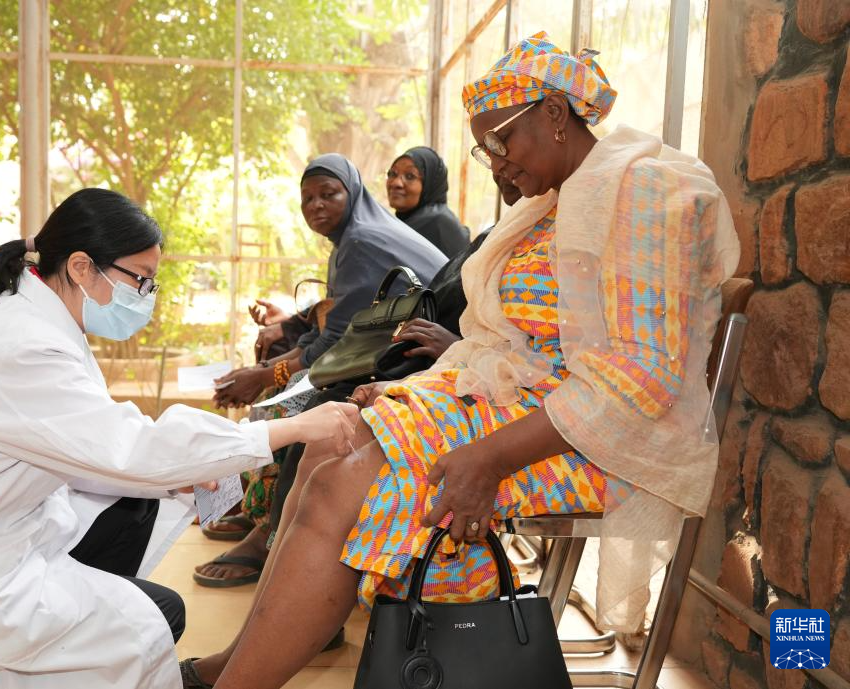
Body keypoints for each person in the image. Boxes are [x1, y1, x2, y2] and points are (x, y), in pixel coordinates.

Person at [180, 32, 739, 689]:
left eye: (501, 141)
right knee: (331, 444)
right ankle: (241, 660)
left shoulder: (645, 189)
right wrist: (423, 390)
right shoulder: (552, 202)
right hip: (534, 408)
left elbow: (639, 379)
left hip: (604, 440)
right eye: (485, 149)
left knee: (348, 479)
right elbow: (508, 342)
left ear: (554, 114)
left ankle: (236, 682)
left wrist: (489, 458)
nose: (495, 164)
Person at [0, 188, 359, 689]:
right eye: (141, 280)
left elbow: (96, 441)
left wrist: (188, 472)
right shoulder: (23, 347)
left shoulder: (44, 320)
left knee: (143, 511)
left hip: (1, 542)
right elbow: (130, 447)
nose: (146, 296)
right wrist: (289, 428)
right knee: (148, 623)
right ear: (81, 267)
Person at [195, 155, 446, 588]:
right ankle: (261, 515)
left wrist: (266, 377)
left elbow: (333, 347)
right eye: (307, 198)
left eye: (328, 194)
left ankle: (271, 534)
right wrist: (265, 370)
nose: (316, 205)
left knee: (292, 403)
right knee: (283, 391)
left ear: (353, 194)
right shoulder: (349, 240)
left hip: (421, 360)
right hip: (391, 353)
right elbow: (329, 332)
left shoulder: (361, 241)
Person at [386, 145, 470, 258]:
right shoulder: (403, 222)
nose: (396, 183)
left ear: (429, 184)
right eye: (392, 174)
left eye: (410, 176)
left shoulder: (441, 225)